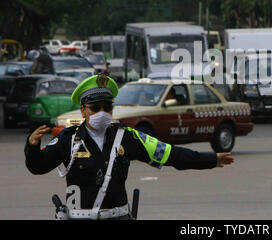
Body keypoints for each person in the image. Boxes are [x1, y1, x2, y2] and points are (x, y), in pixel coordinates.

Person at [24, 74, 234, 220]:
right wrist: (32, 146)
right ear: (83, 110)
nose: (102, 112)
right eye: (95, 108)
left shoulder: (128, 137)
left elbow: (171, 155)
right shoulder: (68, 140)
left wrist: (211, 159)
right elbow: (37, 167)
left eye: (107, 107)